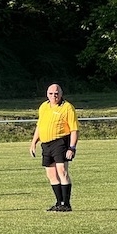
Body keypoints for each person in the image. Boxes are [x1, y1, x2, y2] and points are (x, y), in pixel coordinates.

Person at [29, 83, 79, 212]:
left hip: (60, 142)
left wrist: (72, 147)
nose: (54, 96)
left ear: (61, 94)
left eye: (56, 93)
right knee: (51, 174)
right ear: (47, 94)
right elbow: (39, 126)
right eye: (51, 93)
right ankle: (58, 202)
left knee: (62, 171)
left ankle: (66, 204)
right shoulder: (44, 107)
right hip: (46, 144)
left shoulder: (67, 107)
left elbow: (74, 129)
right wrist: (33, 143)